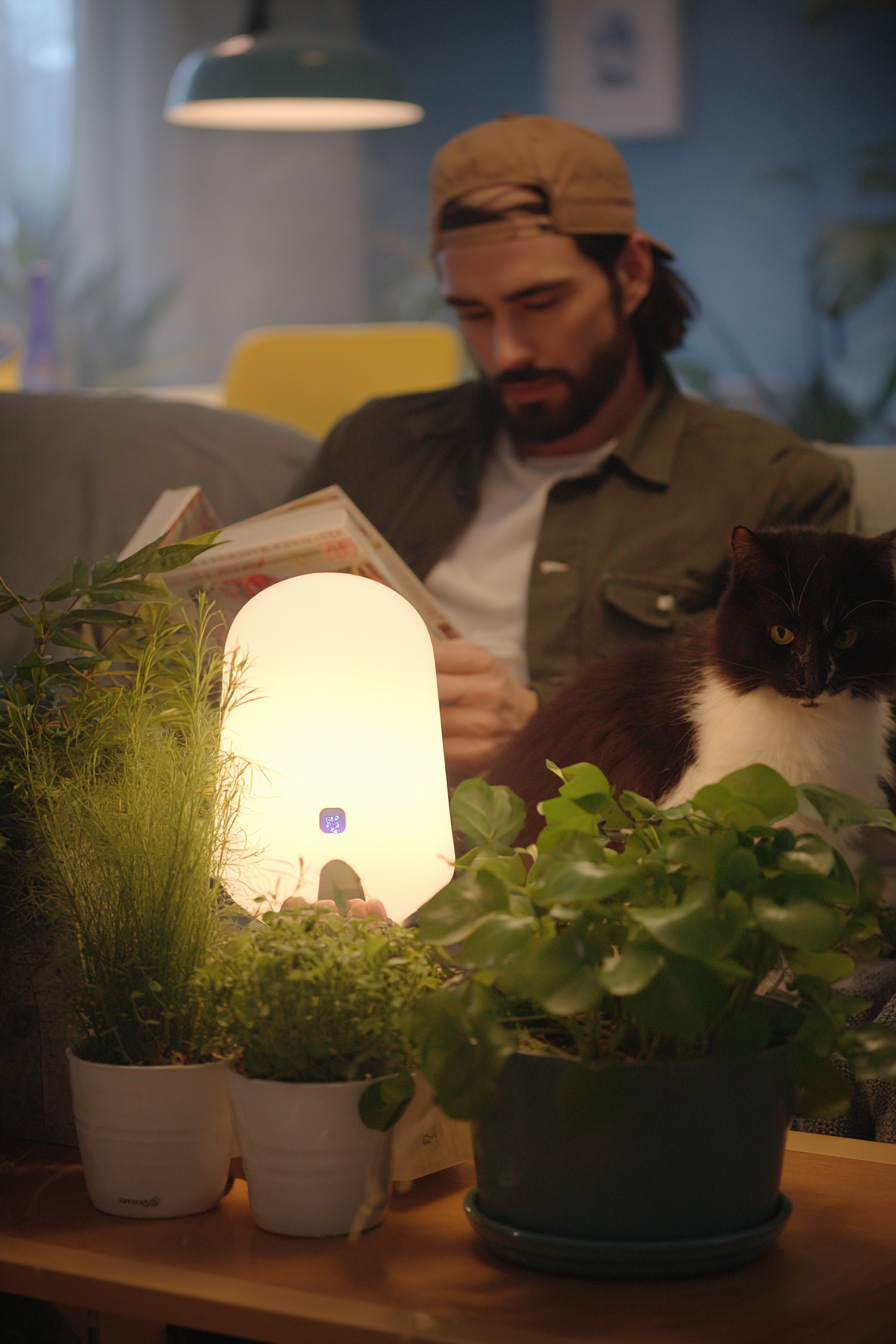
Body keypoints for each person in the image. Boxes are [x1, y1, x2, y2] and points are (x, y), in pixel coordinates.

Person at [296, 114, 851, 785]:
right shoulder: (374, 446)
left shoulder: (771, 487)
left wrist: (537, 721)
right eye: (473, 313)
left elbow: (812, 746)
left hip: (593, 835)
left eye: (540, 303)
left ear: (632, 274)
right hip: (339, 807)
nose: (507, 351)